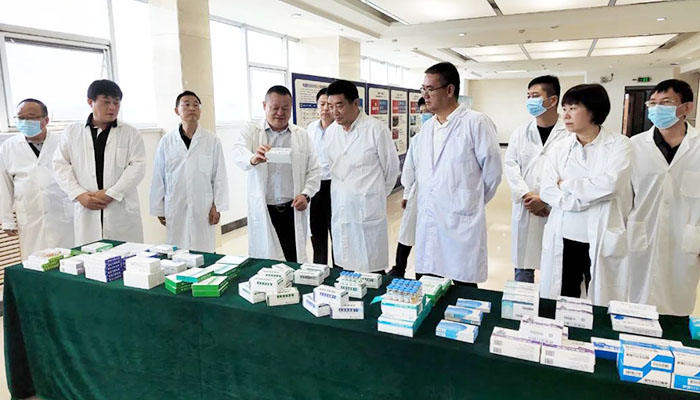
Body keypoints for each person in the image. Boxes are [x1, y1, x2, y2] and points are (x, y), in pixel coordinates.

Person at [539, 84, 632, 304]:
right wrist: (581, 199)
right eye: (564, 109)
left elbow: (611, 185)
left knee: (600, 299)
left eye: (573, 108)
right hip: (565, 234)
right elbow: (547, 190)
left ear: (593, 110)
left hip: (600, 236)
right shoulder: (559, 148)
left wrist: (567, 184)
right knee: (564, 296)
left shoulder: (620, 144)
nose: (565, 115)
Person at [411, 62, 502, 287]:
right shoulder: (427, 129)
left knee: (462, 290)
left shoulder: (476, 122)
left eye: (430, 89)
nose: (425, 95)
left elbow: (493, 174)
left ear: (449, 90)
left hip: (461, 224)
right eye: (423, 89)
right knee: (428, 287)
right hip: (430, 219)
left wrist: (468, 201)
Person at [626, 79, 699, 316]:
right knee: (637, 302)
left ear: (686, 108)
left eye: (666, 102)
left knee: (677, 306)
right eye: (653, 103)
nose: (657, 108)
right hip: (641, 233)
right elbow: (625, 195)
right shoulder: (634, 146)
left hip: (685, 238)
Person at [232, 85, 320, 262]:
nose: (280, 113)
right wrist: (252, 158)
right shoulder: (252, 131)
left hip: (292, 209)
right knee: (265, 262)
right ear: (265, 106)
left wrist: (306, 194)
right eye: (275, 107)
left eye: (285, 108)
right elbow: (237, 151)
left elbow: (314, 170)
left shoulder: (301, 135)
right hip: (264, 209)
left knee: (293, 259)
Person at [53, 80, 146, 244]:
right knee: (90, 255)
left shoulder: (131, 133)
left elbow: (137, 167)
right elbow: (60, 165)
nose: (112, 108)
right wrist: (79, 194)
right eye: (106, 102)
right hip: (86, 206)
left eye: (116, 102)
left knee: (126, 254)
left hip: (120, 209)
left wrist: (112, 193)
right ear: (91, 102)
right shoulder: (72, 132)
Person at [324, 79, 400, 273]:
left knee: (370, 270)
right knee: (344, 267)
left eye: (339, 105)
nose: (334, 112)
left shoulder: (376, 129)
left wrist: (373, 195)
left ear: (355, 103)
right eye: (330, 106)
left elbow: (391, 169)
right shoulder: (331, 132)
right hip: (341, 207)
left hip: (368, 210)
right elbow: (332, 166)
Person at [504, 75, 570, 283]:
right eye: (528, 96)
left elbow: (572, 172)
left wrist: (545, 198)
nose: (530, 101)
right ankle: (523, 302)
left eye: (535, 96)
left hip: (556, 208)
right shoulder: (520, 133)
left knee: (557, 268)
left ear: (552, 100)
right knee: (524, 266)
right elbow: (511, 166)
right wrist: (526, 195)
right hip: (527, 207)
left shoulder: (569, 133)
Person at [150, 90, 229, 252]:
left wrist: (217, 206)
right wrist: (159, 208)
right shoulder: (167, 141)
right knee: (177, 252)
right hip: (175, 205)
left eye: (196, 105)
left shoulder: (212, 141)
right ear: (176, 110)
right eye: (186, 105)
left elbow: (219, 176)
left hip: (203, 206)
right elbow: (158, 176)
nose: (192, 108)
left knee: (204, 251)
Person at [0, 99, 74, 257]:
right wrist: (6, 220)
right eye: (21, 118)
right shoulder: (8, 146)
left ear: (45, 120)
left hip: (63, 214)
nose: (25, 122)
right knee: (34, 261)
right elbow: (4, 185)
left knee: (69, 259)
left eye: (31, 117)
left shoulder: (63, 142)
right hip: (30, 215)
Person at [307, 87, 334, 264]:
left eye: (329, 105)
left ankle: (338, 269)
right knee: (317, 231)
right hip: (315, 186)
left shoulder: (340, 129)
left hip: (334, 185)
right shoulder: (310, 129)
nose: (325, 108)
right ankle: (319, 268)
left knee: (337, 232)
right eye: (321, 104)